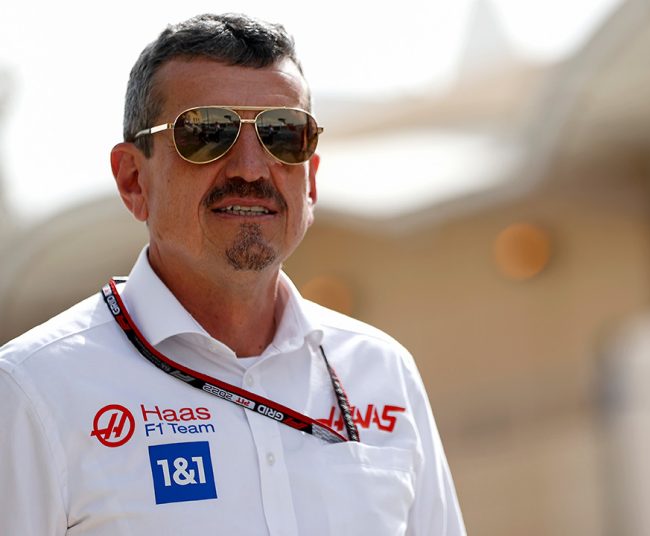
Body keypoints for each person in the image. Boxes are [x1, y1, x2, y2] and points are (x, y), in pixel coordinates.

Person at [0, 13, 465, 536]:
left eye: (282, 134)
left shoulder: (383, 372)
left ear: (310, 181)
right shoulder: (31, 392)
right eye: (207, 132)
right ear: (133, 180)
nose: (251, 167)